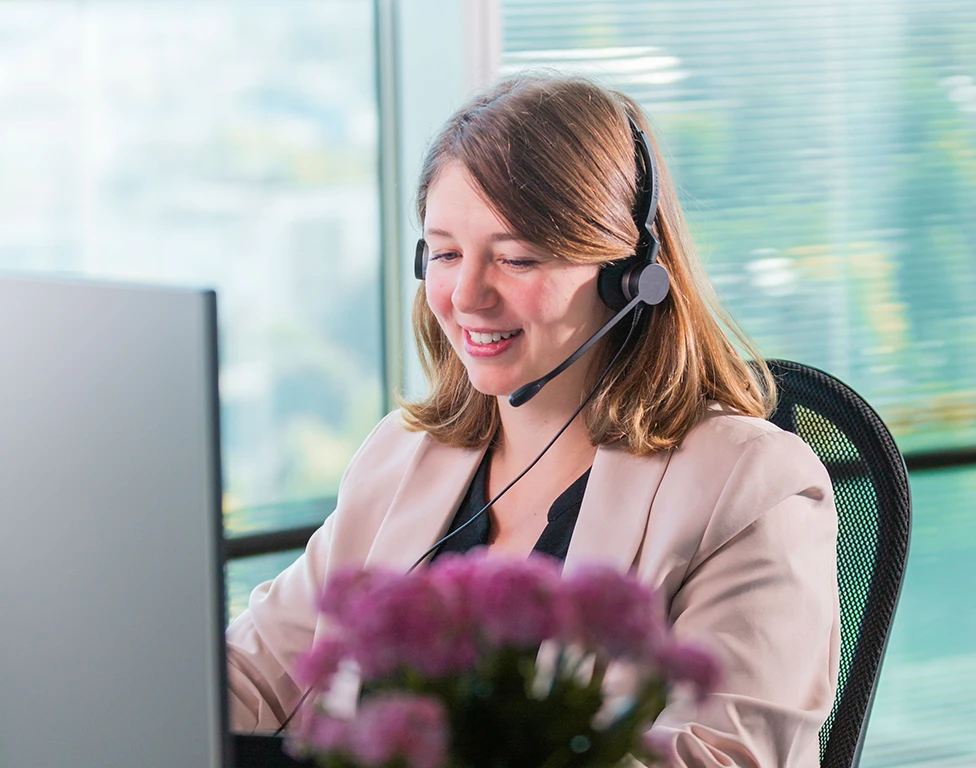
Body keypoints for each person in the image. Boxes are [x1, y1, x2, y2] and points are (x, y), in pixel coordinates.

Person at [226, 74, 840, 767]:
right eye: (447, 253)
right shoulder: (399, 458)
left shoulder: (753, 488)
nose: (465, 296)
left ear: (630, 275)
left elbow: (726, 756)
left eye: (517, 257)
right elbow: (253, 671)